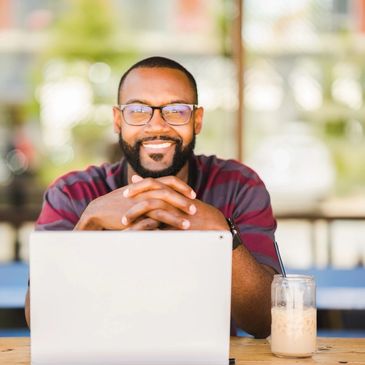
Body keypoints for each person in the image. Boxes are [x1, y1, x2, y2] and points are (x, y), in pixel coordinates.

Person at [25, 56, 281, 338]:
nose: (157, 125)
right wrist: (86, 227)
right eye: (137, 110)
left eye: (176, 110)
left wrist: (224, 233)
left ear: (197, 120)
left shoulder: (238, 186)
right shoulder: (72, 194)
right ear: (117, 120)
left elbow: (266, 322)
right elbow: (40, 321)